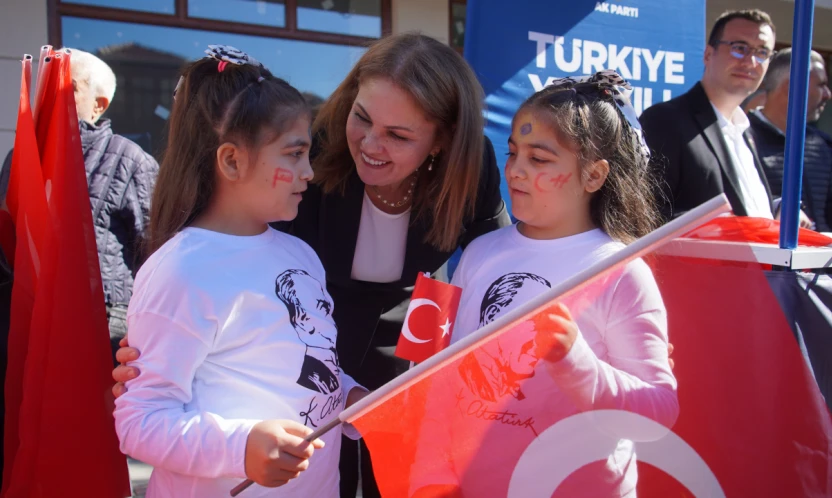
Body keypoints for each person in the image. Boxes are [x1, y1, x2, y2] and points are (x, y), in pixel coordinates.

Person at [113, 33, 511, 498]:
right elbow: (158, 400)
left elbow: (497, 262)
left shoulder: (297, 252)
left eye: (399, 136)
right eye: (362, 118)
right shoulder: (303, 152)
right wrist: (159, 354)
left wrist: (355, 395)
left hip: (408, 328)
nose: (370, 143)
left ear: (441, 142)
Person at [113, 46, 367, 498]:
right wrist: (241, 447)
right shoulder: (181, 270)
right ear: (232, 161)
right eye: (294, 154)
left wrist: (350, 397)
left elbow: (304, 363)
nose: (309, 172)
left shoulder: (301, 255)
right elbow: (140, 421)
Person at [413, 71, 678, 498]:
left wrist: (576, 362)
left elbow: (659, 412)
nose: (515, 171)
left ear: (594, 176)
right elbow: (432, 374)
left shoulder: (621, 271)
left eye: (538, 159)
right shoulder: (478, 252)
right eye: (513, 152)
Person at [0, 49, 160, 364]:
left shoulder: (130, 159)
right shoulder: (19, 155)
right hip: (23, 317)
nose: (52, 94)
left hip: (99, 323)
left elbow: (154, 253)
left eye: (68, 86)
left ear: (98, 105)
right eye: (48, 84)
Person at [640, 10, 784, 222]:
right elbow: (644, 215)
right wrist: (723, 229)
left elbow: (744, 204)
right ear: (708, 54)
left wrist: (777, 208)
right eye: (739, 48)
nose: (751, 61)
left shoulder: (745, 130)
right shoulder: (665, 120)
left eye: (762, 52)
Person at [748, 48, 832, 232]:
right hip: (768, 249)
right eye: (821, 85)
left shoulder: (824, 146)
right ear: (792, 87)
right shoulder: (741, 140)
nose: (827, 94)